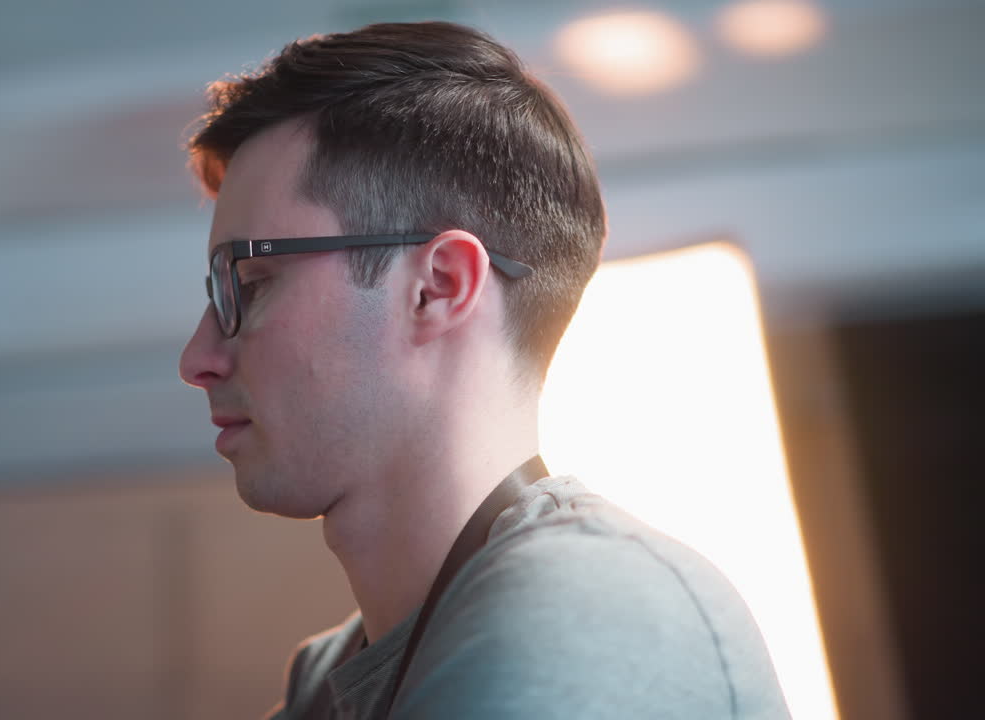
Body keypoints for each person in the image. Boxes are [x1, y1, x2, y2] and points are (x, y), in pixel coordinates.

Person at [178, 21, 791, 720]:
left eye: (251, 283)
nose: (197, 359)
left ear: (438, 286)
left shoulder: (588, 610)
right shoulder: (326, 680)